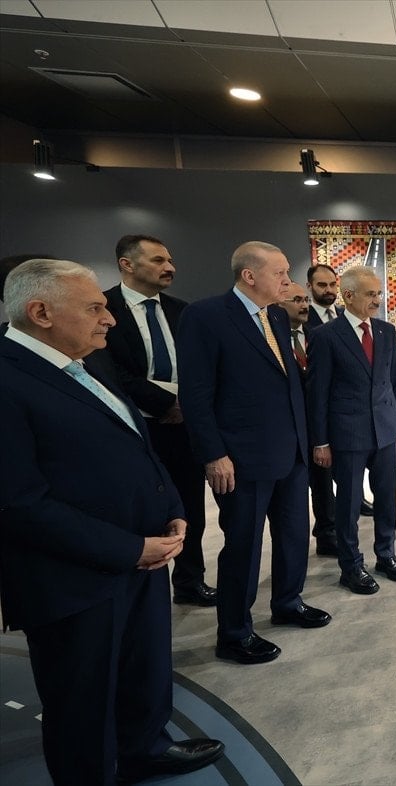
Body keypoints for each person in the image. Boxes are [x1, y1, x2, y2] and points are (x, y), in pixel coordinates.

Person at [0, 258, 224, 784]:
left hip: (141, 558)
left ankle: (145, 748)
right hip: (75, 579)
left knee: (143, 670)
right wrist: (127, 549)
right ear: (41, 313)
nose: (110, 319)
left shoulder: (86, 361)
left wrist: (171, 508)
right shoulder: (7, 379)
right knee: (83, 702)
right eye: (95, 308)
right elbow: (18, 503)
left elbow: (137, 442)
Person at [176, 241, 331, 666]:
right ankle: (234, 633)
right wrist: (213, 454)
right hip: (241, 458)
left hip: (290, 451)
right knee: (243, 545)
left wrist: (308, 439)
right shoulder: (205, 316)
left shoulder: (276, 316)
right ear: (249, 275)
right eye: (281, 273)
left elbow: (287, 384)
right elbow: (196, 394)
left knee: (294, 534)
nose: (289, 281)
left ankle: (288, 602)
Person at [100, 234, 214, 607]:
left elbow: (200, 365)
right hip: (135, 427)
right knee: (141, 510)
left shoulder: (183, 311)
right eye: (158, 260)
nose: (170, 268)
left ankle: (190, 581)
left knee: (190, 507)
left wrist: (188, 405)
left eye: (170, 260)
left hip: (184, 427)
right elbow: (109, 370)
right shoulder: (104, 309)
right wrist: (167, 402)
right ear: (127, 264)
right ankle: (142, 590)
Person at [307, 266, 396, 594]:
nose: (377, 300)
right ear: (348, 295)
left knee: (387, 498)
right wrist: (320, 441)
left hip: (385, 430)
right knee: (349, 504)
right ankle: (351, 566)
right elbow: (318, 393)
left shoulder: (386, 331)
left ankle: (386, 554)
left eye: (379, 293)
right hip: (347, 434)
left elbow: (394, 381)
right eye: (370, 294)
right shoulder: (325, 336)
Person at [307, 262, 375, 521]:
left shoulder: (344, 314)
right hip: (322, 407)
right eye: (321, 285)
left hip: (350, 415)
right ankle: (327, 526)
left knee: (351, 470)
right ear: (310, 286)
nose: (328, 289)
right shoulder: (304, 318)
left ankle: (357, 500)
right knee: (322, 475)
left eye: (332, 284)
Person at [279, 280, 337, 556]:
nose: (304, 305)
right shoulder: (272, 339)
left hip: (317, 424)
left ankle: (327, 534)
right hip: (288, 428)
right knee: (294, 492)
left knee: (324, 484)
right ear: (279, 305)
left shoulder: (317, 336)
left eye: (305, 300)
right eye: (297, 300)